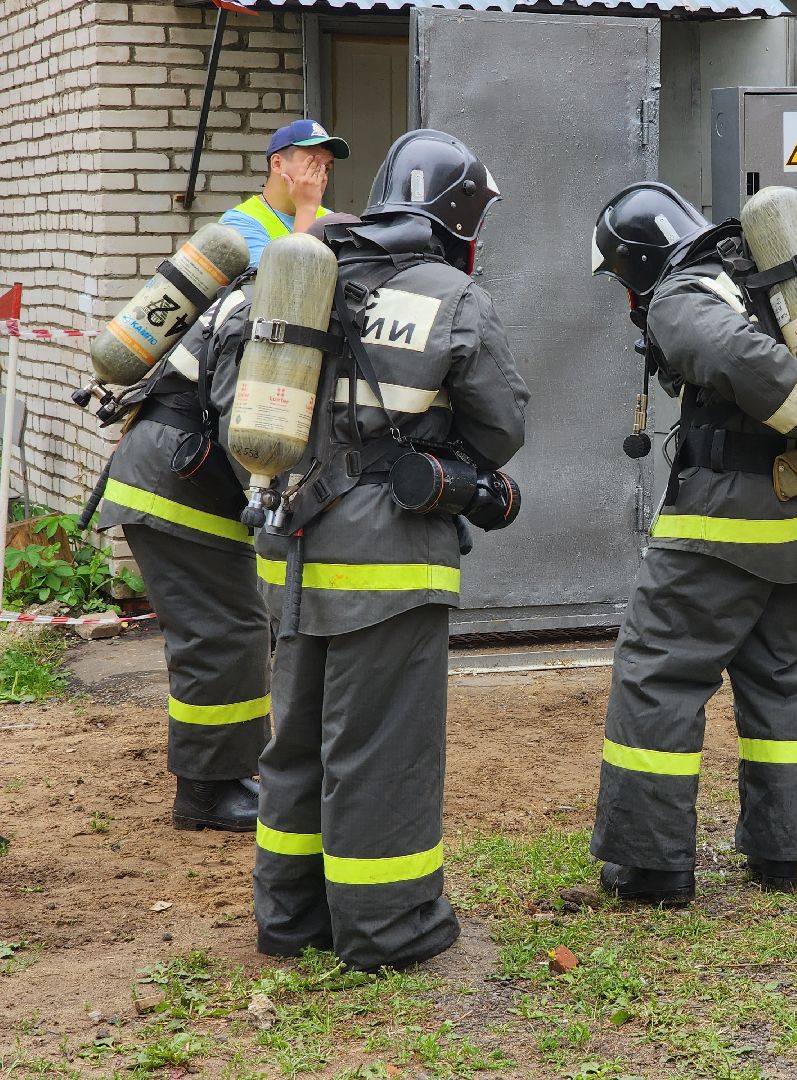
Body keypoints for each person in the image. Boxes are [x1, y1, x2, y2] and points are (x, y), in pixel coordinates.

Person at [212, 130, 529, 971]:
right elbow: (503, 428)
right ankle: (389, 928)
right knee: (382, 748)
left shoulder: (298, 268)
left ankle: (288, 921)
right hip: (390, 562)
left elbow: (226, 395)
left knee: (297, 741)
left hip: (291, 552)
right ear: (460, 213)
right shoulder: (448, 292)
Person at [589, 182, 797, 903]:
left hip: (726, 532)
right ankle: (778, 856)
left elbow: (732, 355)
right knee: (781, 681)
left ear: (637, 261)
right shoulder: (753, 272)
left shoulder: (682, 293)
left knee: (658, 676)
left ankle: (652, 867)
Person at [96, 274, 268, 833]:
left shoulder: (259, 298)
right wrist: (280, 505)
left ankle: (225, 774)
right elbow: (245, 423)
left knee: (230, 631)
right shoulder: (259, 315)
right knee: (221, 636)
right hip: (173, 491)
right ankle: (206, 792)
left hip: (175, 483)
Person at [219, 119, 350, 268]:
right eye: (312, 165)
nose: (321, 176)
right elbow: (287, 284)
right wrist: (305, 208)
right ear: (277, 164)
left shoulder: (330, 220)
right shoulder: (238, 223)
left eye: (326, 168)